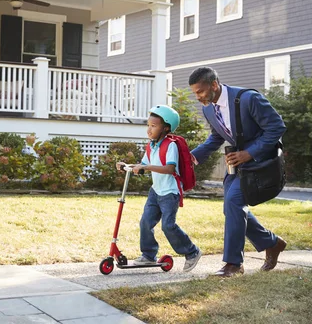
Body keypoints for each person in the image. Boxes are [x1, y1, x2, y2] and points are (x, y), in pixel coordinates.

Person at [188, 67, 287, 278]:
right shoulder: (208, 109)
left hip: (261, 162)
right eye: (195, 93)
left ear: (214, 85)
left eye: (200, 92)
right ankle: (271, 242)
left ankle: (233, 264)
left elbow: (276, 127)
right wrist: (192, 157)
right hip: (238, 165)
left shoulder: (249, 99)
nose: (198, 97)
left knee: (233, 202)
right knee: (232, 207)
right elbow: (216, 137)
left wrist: (249, 153)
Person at [116, 105, 202, 272]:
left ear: (166, 128)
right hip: (156, 191)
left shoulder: (170, 145)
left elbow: (170, 168)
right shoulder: (152, 145)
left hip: (170, 193)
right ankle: (148, 255)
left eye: (153, 126)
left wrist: (146, 167)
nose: (149, 129)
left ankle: (192, 252)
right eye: (148, 125)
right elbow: (144, 164)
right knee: (146, 222)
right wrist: (127, 165)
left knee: (168, 226)